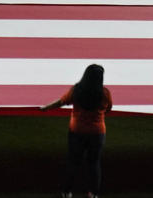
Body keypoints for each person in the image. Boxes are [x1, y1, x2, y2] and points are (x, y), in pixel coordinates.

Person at [41, 64, 112, 198]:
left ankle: (67, 192)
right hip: (97, 132)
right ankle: (93, 193)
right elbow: (108, 108)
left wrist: (46, 107)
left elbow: (61, 102)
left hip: (77, 131)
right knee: (94, 163)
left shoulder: (76, 90)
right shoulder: (105, 93)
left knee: (73, 162)